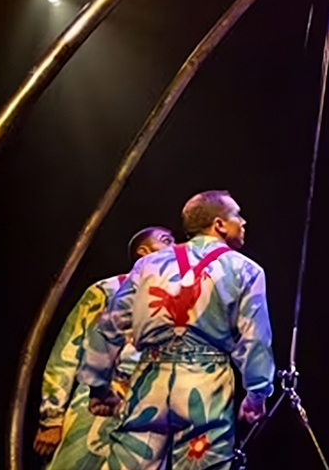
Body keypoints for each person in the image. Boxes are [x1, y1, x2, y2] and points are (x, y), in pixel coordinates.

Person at [78, 191, 274, 470]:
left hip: (148, 383)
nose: (243, 222)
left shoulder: (148, 265)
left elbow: (108, 325)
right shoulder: (246, 270)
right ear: (219, 225)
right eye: (237, 215)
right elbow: (255, 340)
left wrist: (98, 387)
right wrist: (256, 396)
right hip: (204, 386)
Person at [33, 226, 175, 469]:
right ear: (144, 252)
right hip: (96, 408)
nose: (175, 247)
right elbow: (67, 353)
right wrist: (52, 417)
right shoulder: (107, 290)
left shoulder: (178, 303)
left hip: (147, 416)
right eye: (166, 241)